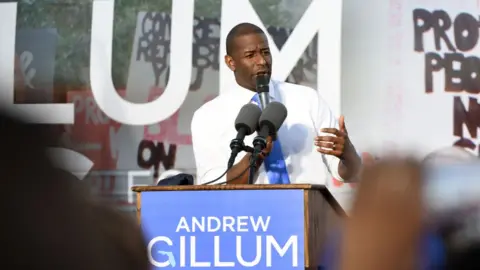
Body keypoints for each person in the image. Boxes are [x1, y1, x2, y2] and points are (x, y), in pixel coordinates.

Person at [191, 23, 361, 185]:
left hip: (308, 211)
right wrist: (256, 156)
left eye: (265, 52)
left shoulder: (308, 99)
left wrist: (349, 154)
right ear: (230, 62)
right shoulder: (208, 116)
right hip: (250, 214)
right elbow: (212, 186)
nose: (262, 61)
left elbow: (349, 173)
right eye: (250, 55)